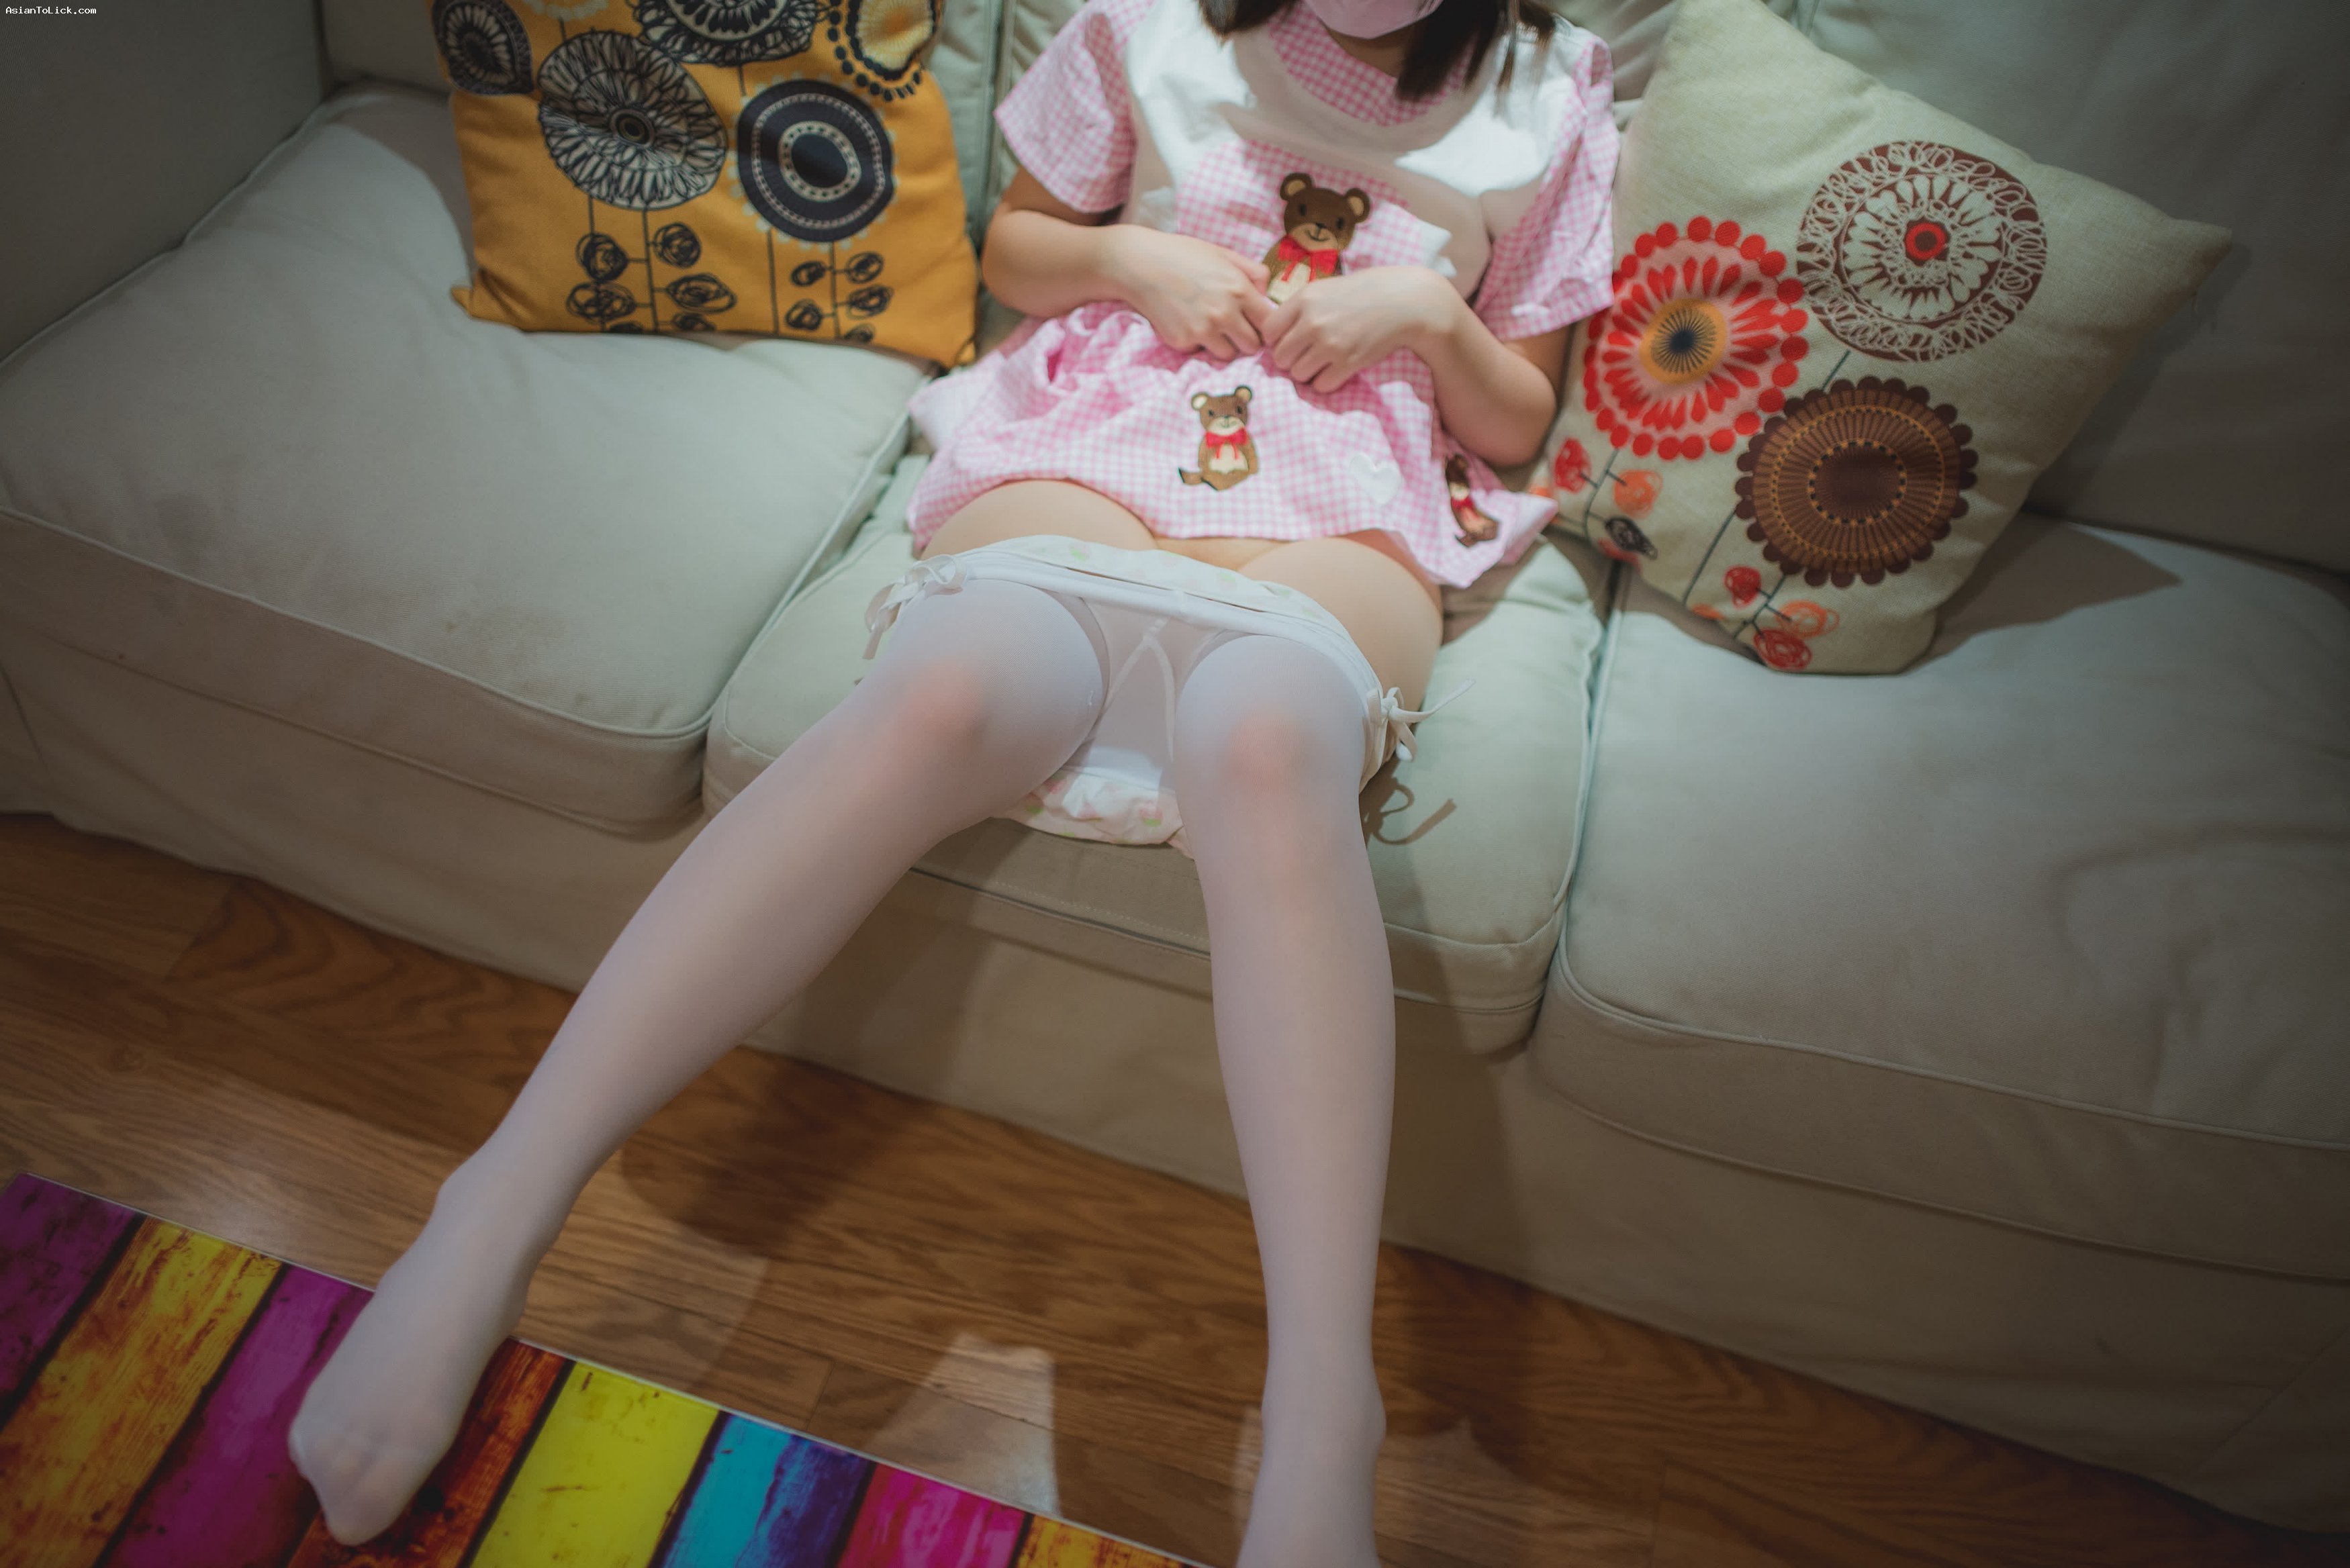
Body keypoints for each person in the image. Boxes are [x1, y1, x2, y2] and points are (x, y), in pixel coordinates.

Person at [287, 0, 1614, 1561]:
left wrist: (1431, 315)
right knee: (944, 695)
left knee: (1266, 747)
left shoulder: (1549, 87)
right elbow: (1018, 251)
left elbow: (1515, 418)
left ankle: (1325, 1408)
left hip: (1338, 500)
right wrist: (1136, 261)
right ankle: (493, 1209)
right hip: (1098, 438)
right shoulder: (1150, 21)